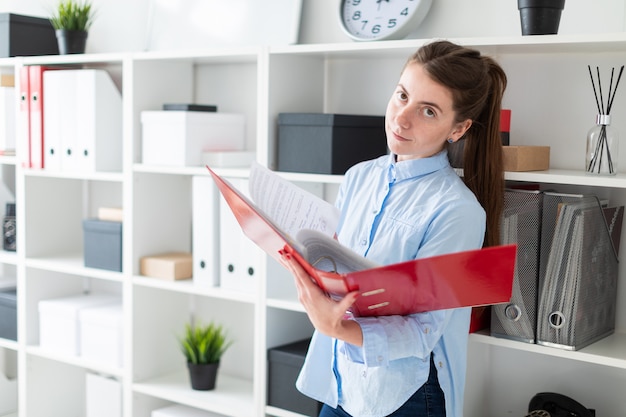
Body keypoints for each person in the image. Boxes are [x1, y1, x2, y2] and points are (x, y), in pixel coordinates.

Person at [279, 40, 507, 417]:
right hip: (341, 383)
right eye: (402, 95)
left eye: (428, 111)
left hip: (404, 396)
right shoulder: (358, 177)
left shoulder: (457, 211)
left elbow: (423, 331)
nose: (402, 118)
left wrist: (336, 327)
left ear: (459, 128)